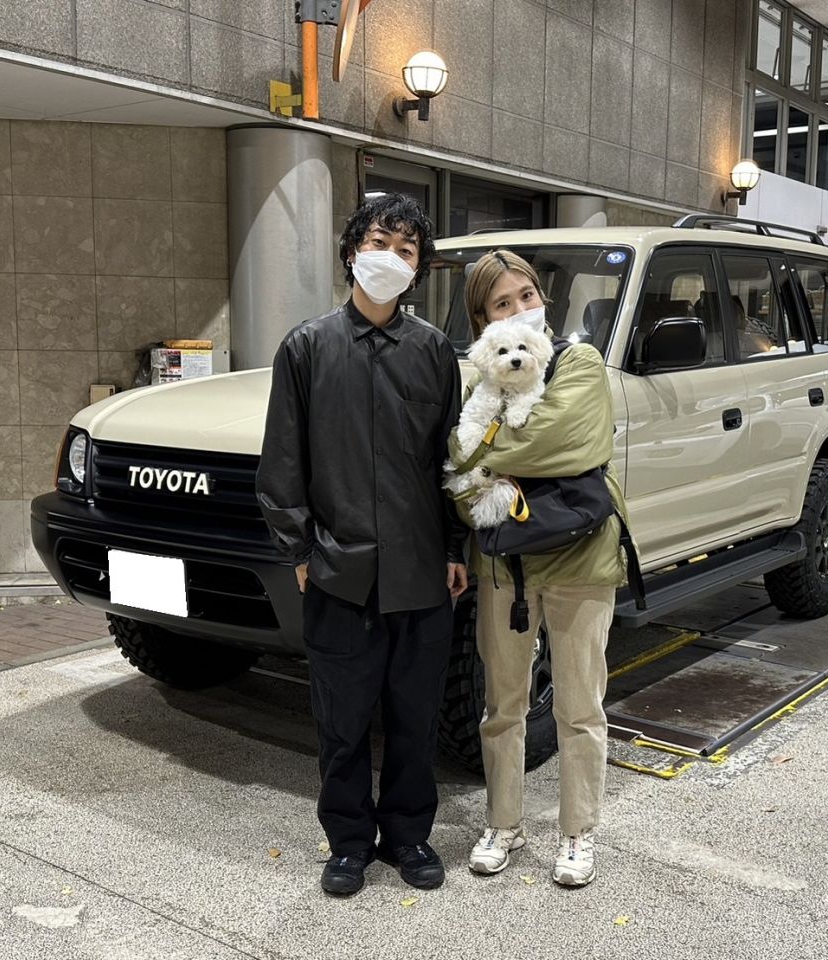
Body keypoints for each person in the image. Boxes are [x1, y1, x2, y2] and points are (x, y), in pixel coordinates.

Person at [256, 194, 469, 898]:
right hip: (337, 573)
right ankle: (348, 842)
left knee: (413, 719)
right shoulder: (307, 348)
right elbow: (282, 464)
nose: (391, 258)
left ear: (418, 270)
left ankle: (408, 835)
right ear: (352, 252)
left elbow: (454, 461)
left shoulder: (435, 352)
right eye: (380, 242)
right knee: (341, 723)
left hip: (420, 575)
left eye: (407, 251)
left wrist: (456, 549)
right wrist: (298, 552)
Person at [447, 249, 631, 888]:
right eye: (503, 303)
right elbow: (455, 453)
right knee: (503, 706)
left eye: (527, 296)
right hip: (506, 568)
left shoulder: (578, 360)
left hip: (581, 558)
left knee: (579, 707)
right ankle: (504, 821)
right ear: (482, 322)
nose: (521, 308)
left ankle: (578, 832)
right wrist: (492, 457)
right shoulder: (474, 379)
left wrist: (494, 457)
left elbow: (566, 441)